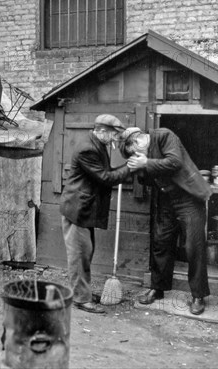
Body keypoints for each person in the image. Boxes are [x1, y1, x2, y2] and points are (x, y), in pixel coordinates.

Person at [119, 127, 212, 315]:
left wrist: (146, 162)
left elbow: (175, 162)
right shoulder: (144, 155)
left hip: (189, 198)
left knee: (194, 247)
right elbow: (147, 179)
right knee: (161, 242)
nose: (137, 156)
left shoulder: (164, 136)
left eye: (135, 152)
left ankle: (198, 295)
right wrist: (139, 170)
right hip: (166, 201)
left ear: (139, 142)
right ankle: (158, 289)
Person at [60, 114, 130, 313]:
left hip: (84, 209)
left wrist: (126, 168)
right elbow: (105, 177)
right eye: (113, 134)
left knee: (85, 253)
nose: (115, 139)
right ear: (100, 131)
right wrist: (130, 167)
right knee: (79, 255)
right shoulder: (88, 149)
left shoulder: (98, 145)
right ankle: (81, 299)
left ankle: (84, 293)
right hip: (77, 210)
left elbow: (105, 173)